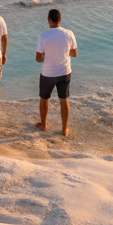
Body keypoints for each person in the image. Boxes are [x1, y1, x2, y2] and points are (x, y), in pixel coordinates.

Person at [35, 8, 77, 136]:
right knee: (64, 99)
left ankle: (43, 124)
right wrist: (63, 53)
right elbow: (74, 54)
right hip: (64, 72)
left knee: (44, 99)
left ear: (49, 20)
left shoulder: (43, 36)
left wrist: (46, 57)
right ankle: (64, 129)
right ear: (60, 19)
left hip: (48, 73)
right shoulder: (69, 33)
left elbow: (38, 58)